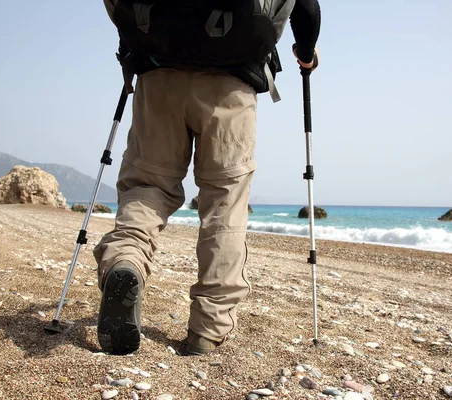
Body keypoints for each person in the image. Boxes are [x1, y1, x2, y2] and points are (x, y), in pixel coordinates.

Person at [94, 0, 321, 356]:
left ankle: (126, 260)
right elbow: (306, 8)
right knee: (224, 204)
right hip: (232, 84)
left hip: (158, 76)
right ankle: (207, 330)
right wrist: (305, 54)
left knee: (147, 186)